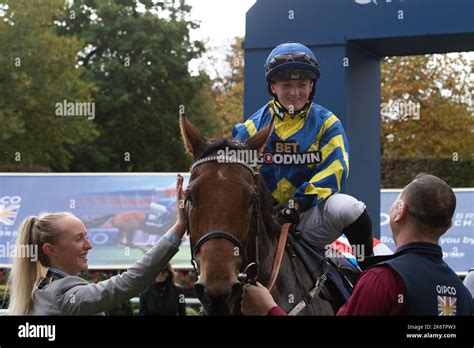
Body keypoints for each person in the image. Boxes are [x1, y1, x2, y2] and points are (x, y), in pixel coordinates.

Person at [241, 174, 474, 316]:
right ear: (449, 225)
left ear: (399, 211)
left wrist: (269, 310)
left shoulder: (383, 280)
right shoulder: (462, 294)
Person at [232, 42, 373, 259]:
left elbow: (337, 168)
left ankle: (370, 275)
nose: (295, 93)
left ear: (312, 86)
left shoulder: (328, 123)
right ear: (273, 87)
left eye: (302, 84)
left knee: (350, 208)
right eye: (286, 85)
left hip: (308, 215)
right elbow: (235, 176)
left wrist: (299, 202)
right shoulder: (251, 128)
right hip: (264, 221)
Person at [7, 175, 186, 315]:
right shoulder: (62, 294)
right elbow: (130, 281)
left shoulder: (41, 290)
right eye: (78, 239)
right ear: (50, 249)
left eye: (86, 236)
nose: (89, 246)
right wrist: (179, 227)